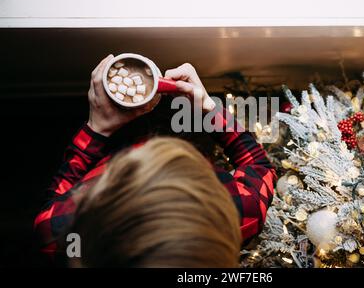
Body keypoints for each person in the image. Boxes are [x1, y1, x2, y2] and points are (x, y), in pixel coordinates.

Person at [34, 55, 277, 267]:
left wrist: (97, 128)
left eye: (125, 173)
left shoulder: (61, 234)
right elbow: (258, 165)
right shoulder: (238, 216)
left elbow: (54, 202)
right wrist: (208, 109)